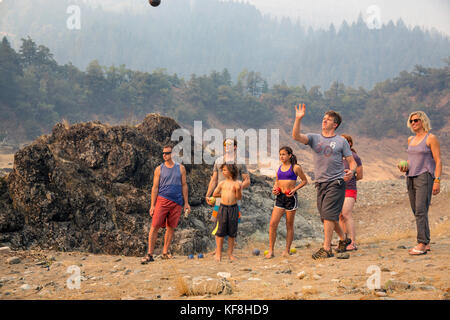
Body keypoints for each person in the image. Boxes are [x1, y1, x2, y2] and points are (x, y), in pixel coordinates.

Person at [292, 103, 357, 259]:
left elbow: (352, 161)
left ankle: (326, 248)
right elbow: (296, 136)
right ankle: (343, 239)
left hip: (336, 182)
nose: (324, 121)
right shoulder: (315, 138)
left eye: (328, 119)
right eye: (324, 118)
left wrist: (352, 171)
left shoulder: (341, 141)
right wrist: (298, 119)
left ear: (335, 124)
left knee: (328, 215)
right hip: (320, 183)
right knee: (325, 217)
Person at [398, 111, 442, 255]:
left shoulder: (431, 138)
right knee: (416, 210)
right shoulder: (410, 139)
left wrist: (437, 180)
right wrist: (404, 166)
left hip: (425, 176)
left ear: (423, 121)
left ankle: (422, 243)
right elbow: (412, 159)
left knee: (421, 209)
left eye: (416, 120)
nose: (413, 123)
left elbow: (438, 160)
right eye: (411, 121)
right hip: (410, 176)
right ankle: (426, 242)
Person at [141, 145, 191, 263]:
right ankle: (149, 254)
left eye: (167, 153)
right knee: (154, 227)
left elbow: (184, 185)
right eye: (163, 153)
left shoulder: (181, 168)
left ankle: (165, 252)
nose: (164, 155)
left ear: (173, 154)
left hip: (177, 202)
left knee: (171, 227)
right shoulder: (159, 169)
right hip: (162, 200)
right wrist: (152, 205)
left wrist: (186, 203)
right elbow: (155, 187)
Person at [266, 146, 308, 258]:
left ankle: (287, 250)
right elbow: (277, 182)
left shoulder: (296, 168)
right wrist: (274, 189)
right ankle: (271, 250)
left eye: (284, 154)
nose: (281, 156)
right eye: (280, 154)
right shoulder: (279, 168)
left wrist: (294, 190)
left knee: (289, 225)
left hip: (291, 198)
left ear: (290, 155)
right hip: (280, 198)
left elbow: (305, 181)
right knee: (272, 224)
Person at [212, 163, 243, 261]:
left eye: (225, 170)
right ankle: (218, 253)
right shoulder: (222, 183)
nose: (223, 172)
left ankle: (230, 254)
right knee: (220, 231)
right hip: (223, 208)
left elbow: (239, 198)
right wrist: (223, 196)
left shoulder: (238, 183)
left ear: (231, 171)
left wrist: (237, 190)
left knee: (232, 232)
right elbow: (215, 194)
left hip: (233, 208)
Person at [338, 134, 363, 251]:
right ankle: (343, 240)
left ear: (350, 144)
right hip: (338, 189)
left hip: (350, 188)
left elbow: (360, 175)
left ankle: (353, 242)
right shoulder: (337, 157)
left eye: (345, 141)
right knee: (340, 216)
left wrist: (350, 178)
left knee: (346, 213)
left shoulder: (354, 157)